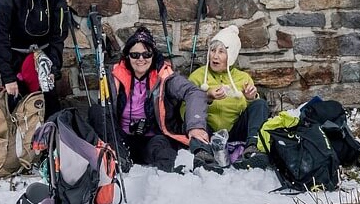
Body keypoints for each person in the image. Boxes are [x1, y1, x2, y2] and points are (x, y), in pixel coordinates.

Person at [106, 27, 211, 172]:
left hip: (152, 139)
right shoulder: (114, 76)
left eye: (146, 54)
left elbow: (193, 92)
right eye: (135, 55)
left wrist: (195, 125)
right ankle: (120, 158)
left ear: (153, 55)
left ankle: (170, 176)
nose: (141, 59)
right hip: (121, 141)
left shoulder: (164, 76)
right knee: (96, 112)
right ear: (127, 57)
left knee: (162, 146)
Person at [187, 24, 269, 164]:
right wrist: (207, 97)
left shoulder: (243, 77)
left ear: (230, 56)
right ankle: (203, 154)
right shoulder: (198, 76)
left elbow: (251, 112)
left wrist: (250, 99)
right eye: (212, 50)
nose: (215, 56)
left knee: (260, 104)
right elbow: (185, 109)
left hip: (234, 130)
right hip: (208, 131)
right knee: (193, 112)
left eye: (221, 52)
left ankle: (252, 148)